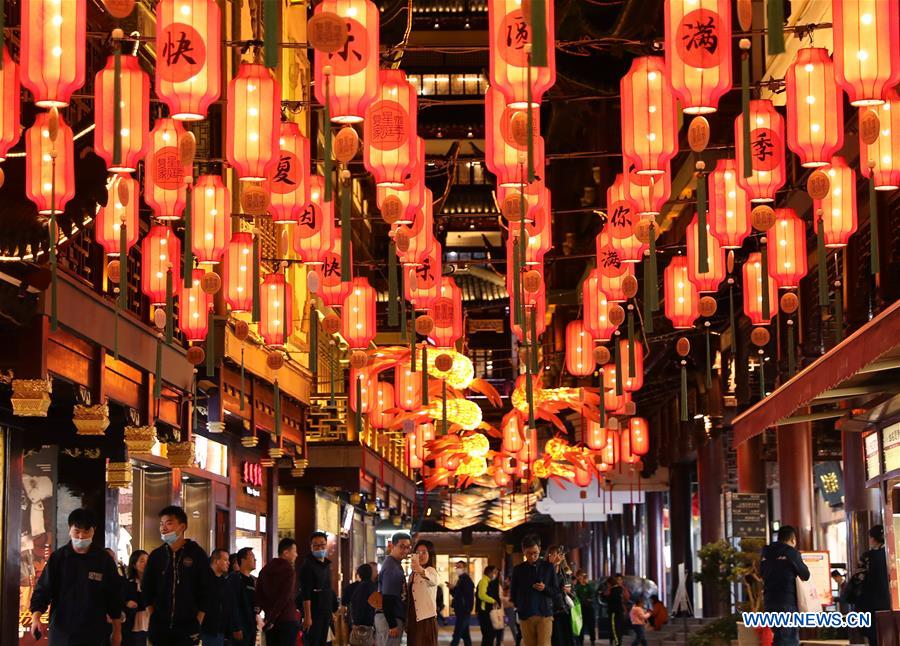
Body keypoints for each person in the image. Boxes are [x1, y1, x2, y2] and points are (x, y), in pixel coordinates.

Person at [29, 508, 125, 646]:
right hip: (62, 633)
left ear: (94, 531)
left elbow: (114, 597)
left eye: (86, 532)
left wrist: (117, 631)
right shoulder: (58, 558)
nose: (81, 536)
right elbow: (43, 591)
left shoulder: (103, 560)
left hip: (94, 633)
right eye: (77, 531)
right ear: (69, 530)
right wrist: (36, 618)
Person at [143, 505, 213, 646]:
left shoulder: (197, 554)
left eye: (169, 523)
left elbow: (207, 589)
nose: (163, 528)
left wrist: (198, 619)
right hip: (159, 626)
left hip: (188, 626)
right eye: (161, 524)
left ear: (182, 527)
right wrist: (152, 615)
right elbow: (147, 588)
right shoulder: (157, 556)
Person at [760, 525, 810, 646]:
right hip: (786, 603)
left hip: (769, 603)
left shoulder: (765, 552)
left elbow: (761, 573)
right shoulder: (791, 552)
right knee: (788, 639)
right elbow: (805, 575)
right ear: (793, 540)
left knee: (779, 637)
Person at [510, 534, 557, 646]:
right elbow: (513, 592)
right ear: (523, 551)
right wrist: (520, 606)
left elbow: (555, 591)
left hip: (544, 614)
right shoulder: (518, 570)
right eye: (529, 553)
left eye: (535, 553)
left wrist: (545, 588)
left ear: (540, 549)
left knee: (544, 644)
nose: (532, 556)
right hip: (525, 614)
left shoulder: (548, 567)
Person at [256, 537, 301, 646]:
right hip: (287, 619)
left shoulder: (265, 570)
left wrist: (264, 617)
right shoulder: (289, 570)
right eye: (294, 552)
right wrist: (272, 618)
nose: (296, 555)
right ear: (285, 553)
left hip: (269, 622)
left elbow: (259, 595)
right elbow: (285, 597)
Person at [298, 532, 338, 646]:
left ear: (326, 545)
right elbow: (306, 593)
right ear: (311, 547)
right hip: (314, 615)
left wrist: (331, 612)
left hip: (326, 613)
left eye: (322, 545)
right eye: (316, 545)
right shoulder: (307, 566)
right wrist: (307, 617)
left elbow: (328, 589)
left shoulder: (326, 565)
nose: (319, 548)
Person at [857, 525, 891, 646]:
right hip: (888, 603)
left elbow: (859, 579)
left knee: (873, 638)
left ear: (872, 538)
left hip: (870, 604)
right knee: (888, 637)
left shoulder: (867, 557)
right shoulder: (890, 556)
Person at [376, 532, 411, 646]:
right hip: (390, 618)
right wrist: (392, 624)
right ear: (392, 546)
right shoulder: (392, 568)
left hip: (387, 617)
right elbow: (388, 598)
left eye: (407, 547)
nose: (405, 550)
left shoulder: (394, 564)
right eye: (401, 546)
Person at [406, 539, 439, 646]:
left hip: (426, 619)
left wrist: (420, 569)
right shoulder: (412, 574)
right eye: (417, 552)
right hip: (413, 618)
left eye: (424, 552)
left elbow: (434, 580)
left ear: (430, 554)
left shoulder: (431, 570)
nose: (420, 555)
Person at [199, 549, 233, 646]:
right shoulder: (204, 579)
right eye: (225, 560)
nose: (229, 563)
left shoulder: (224, 582)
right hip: (205, 630)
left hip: (220, 631)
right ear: (216, 561)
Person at [227, 547, 258, 646]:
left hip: (251, 626)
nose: (255, 559)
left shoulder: (253, 580)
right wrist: (236, 627)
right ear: (243, 560)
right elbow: (232, 604)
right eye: (252, 556)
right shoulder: (234, 578)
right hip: (240, 627)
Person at [546, 546, 573, 646]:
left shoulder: (566, 570)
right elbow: (547, 585)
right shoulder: (545, 570)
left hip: (564, 608)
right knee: (556, 639)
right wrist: (554, 565)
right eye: (553, 554)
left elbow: (572, 586)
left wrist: (570, 591)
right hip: (551, 610)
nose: (556, 557)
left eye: (559, 554)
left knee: (567, 639)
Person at [123, 550, 150, 646]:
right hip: (135, 624)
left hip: (153, 624)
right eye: (142, 561)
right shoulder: (128, 584)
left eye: (148, 560)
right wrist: (126, 603)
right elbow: (121, 601)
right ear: (134, 565)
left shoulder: (155, 583)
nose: (146, 563)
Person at [449, 561, 475, 646]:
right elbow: (457, 594)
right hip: (462, 610)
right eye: (456, 567)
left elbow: (466, 594)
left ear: (464, 568)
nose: (457, 569)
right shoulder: (460, 579)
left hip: (463, 610)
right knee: (465, 634)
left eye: (459, 567)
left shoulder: (465, 579)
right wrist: (452, 588)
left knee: (457, 633)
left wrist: (455, 588)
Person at [350, 564, 378, 634]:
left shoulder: (363, 586)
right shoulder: (372, 586)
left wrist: (356, 622)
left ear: (359, 574)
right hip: (370, 620)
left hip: (363, 623)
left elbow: (360, 605)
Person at [476, 566, 500, 646]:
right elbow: (481, 595)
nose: (496, 574)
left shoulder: (488, 581)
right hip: (484, 612)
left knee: (488, 635)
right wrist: (493, 601)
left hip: (486, 611)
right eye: (495, 572)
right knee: (489, 635)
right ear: (489, 573)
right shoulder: (484, 581)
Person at [574, 571, 597, 646]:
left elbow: (592, 597)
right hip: (581, 609)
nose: (582, 578)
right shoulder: (577, 586)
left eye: (584, 577)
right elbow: (576, 597)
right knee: (581, 626)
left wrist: (587, 600)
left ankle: (592, 641)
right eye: (580, 576)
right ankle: (581, 642)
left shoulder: (589, 586)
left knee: (591, 626)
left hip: (590, 609)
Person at [603, 575, 627, 646]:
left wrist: (603, 595)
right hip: (620, 611)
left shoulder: (613, 591)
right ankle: (618, 642)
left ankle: (617, 643)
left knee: (614, 629)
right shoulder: (621, 589)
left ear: (609, 583)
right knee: (619, 628)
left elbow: (610, 600)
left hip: (614, 612)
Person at [500, 576, 520, 646]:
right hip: (504, 609)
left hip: (510, 609)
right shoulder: (505, 588)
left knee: (512, 625)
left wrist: (504, 599)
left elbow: (512, 599)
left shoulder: (513, 588)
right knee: (502, 625)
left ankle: (516, 640)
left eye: (507, 580)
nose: (505, 581)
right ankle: (501, 640)